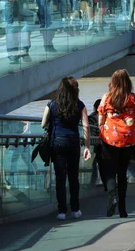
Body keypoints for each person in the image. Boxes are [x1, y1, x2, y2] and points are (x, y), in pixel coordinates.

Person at [41, 76, 91, 221]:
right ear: (76, 90)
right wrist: (87, 146)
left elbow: (43, 124)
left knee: (60, 178)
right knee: (73, 177)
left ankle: (62, 211)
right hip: (74, 143)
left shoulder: (51, 104)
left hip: (57, 143)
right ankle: (75, 209)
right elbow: (86, 126)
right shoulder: (80, 105)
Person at [98, 69, 135, 218]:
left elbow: (100, 120)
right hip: (127, 140)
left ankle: (112, 196)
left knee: (110, 171)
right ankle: (123, 209)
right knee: (122, 172)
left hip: (109, 139)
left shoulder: (107, 97)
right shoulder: (133, 98)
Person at [88, 99, 106, 190]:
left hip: (97, 145)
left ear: (95, 108)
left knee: (97, 164)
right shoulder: (108, 116)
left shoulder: (92, 117)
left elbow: (90, 132)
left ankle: (93, 183)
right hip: (108, 143)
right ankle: (108, 184)